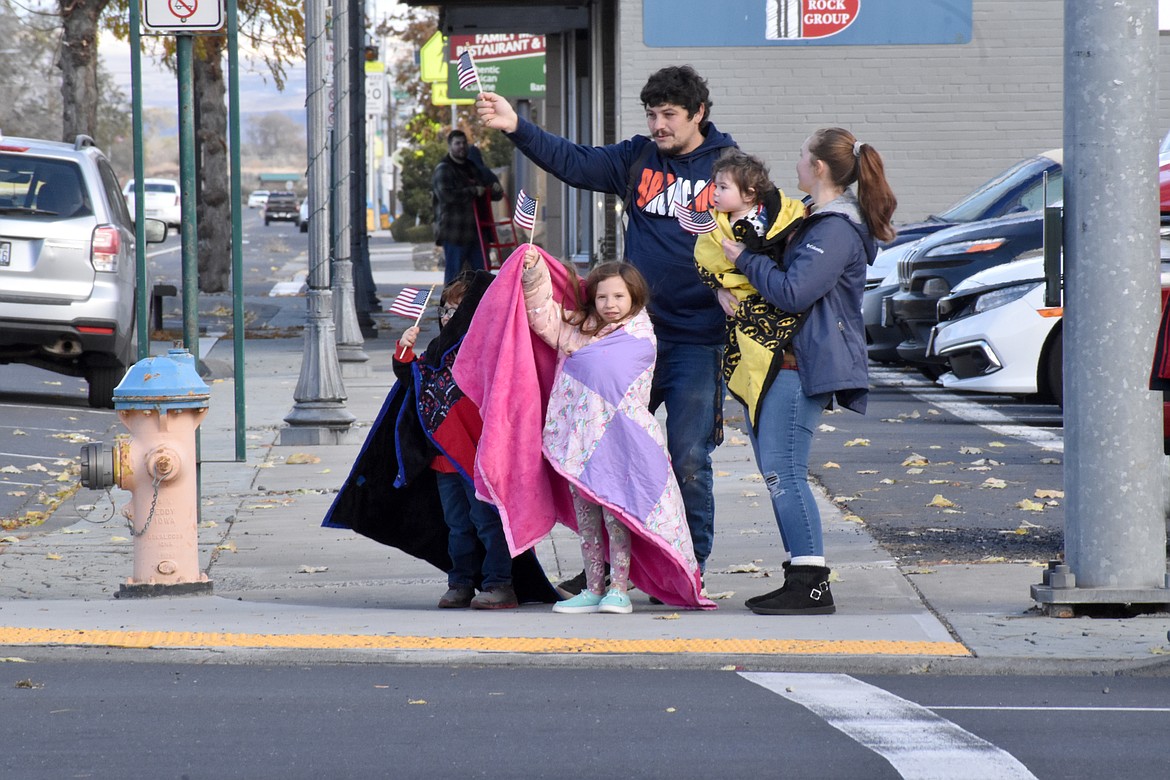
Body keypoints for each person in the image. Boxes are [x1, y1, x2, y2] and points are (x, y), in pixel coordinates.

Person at [477, 65, 734, 588]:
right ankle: (604, 571)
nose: (658, 125)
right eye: (652, 114)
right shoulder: (637, 158)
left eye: (669, 115)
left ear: (699, 114)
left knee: (686, 456)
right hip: (627, 337)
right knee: (600, 451)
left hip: (694, 339)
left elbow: (763, 230)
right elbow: (575, 162)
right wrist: (516, 128)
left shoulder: (727, 168)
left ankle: (686, 570)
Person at [721, 128, 897, 615]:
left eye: (802, 155)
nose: (796, 162)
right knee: (778, 472)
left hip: (799, 367)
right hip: (778, 362)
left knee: (786, 474)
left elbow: (795, 292)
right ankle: (800, 574)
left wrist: (741, 258)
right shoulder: (810, 217)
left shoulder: (835, 229)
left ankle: (811, 583)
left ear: (819, 167)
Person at [520, 247, 711, 614]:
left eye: (619, 296)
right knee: (588, 519)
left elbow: (615, 380)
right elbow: (543, 318)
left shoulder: (640, 335)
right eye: (602, 296)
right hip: (580, 442)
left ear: (634, 297)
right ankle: (593, 588)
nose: (610, 303)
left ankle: (619, 589)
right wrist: (533, 273)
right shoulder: (579, 329)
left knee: (617, 517)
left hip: (622, 444)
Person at [392, 272, 518, 609]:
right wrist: (404, 351)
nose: (449, 317)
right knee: (457, 525)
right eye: (445, 310)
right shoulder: (436, 352)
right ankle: (460, 582)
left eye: (457, 311)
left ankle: (499, 584)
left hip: (479, 456)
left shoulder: (486, 350)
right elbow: (415, 382)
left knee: (486, 523)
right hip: (444, 456)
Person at [693, 149, 806, 432]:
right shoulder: (717, 224)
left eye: (722, 187)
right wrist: (718, 285)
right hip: (736, 307)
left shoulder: (767, 223)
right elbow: (706, 259)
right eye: (714, 186)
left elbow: (773, 261)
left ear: (749, 194)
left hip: (765, 305)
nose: (714, 193)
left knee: (759, 361)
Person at [432, 130, 504, 284]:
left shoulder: (472, 168)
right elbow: (446, 196)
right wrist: (472, 191)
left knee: (482, 274)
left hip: (477, 233)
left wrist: (494, 190)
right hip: (455, 233)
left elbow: (487, 190)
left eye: (464, 143)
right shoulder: (444, 169)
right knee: (454, 276)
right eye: (457, 143)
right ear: (450, 146)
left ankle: (481, 307)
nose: (462, 147)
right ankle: (449, 307)